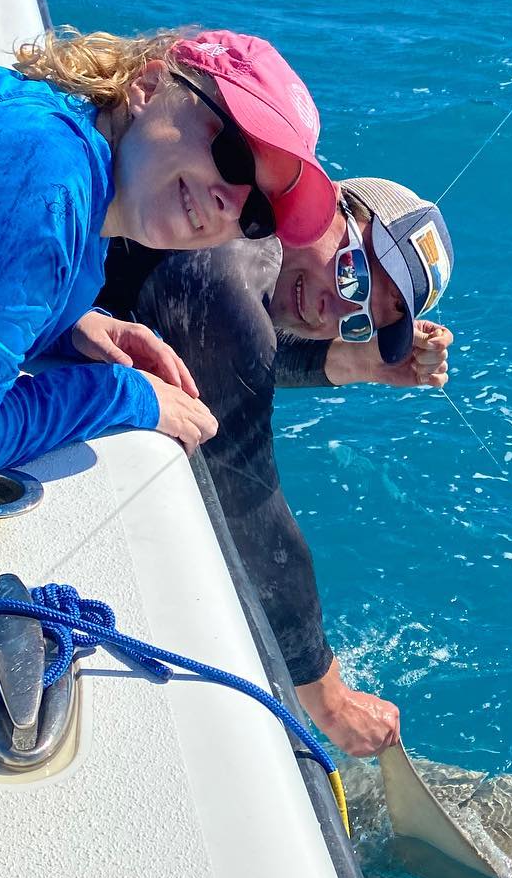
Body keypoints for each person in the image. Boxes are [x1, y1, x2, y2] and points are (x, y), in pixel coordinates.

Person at [0, 26, 336, 491]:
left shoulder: (71, 153)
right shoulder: (37, 179)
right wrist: (117, 394)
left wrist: (68, 325)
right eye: (233, 154)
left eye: (257, 213)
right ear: (149, 86)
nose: (231, 203)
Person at [97, 178, 455, 756]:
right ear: (327, 203)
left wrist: (344, 359)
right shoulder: (227, 266)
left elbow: (228, 345)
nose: (336, 307)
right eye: (355, 274)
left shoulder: (245, 232)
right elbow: (247, 500)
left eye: (360, 318)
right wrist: (330, 702)